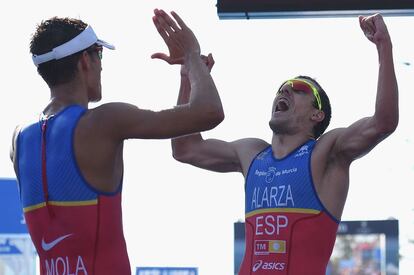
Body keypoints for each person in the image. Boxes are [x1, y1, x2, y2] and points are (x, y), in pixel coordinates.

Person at [170, 13, 398, 274]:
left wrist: (384, 47)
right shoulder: (252, 153)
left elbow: (383, 123)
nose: (284, 90)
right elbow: (185, 149)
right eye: (281, 88)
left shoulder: (326, 153)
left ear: (317, 114)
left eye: (299, 87)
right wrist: (188, 78)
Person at [9, 9, 224, 275]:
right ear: (85, 61)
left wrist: (185, 78)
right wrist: (191, 55)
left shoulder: (19, 139)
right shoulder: (104, 122)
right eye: (99, 54)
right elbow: (209, 112)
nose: (102, 65)